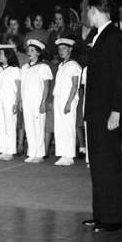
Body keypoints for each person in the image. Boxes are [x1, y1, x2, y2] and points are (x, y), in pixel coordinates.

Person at [83, 0, 122, 233]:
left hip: (107, 113)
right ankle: (101, 214)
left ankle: (114, 218)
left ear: (94, 10)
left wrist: (116, 110)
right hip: (96, 113)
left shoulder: (114, 37)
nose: (87, 15)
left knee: (110, 164)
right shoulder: (99, 35)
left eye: (88, 11)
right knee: (98, 165)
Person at [20, 40, 53, 163]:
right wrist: (20, 100)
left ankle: (39, 154)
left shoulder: (43, 67)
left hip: (37, 101)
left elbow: (46, 86)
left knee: (38, 126)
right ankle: (31, 152)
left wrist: (43, 102)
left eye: (32, 50)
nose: (29, 53)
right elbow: (22, 86)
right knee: (29, 126)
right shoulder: (24, 67)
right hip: (27, 100)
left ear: (38, 53)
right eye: (28, 50)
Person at [53, 38, 81, 166]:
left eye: (64, 48)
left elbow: (75, 86)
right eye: (59, 49)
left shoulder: (74, 65)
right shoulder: (61, 65)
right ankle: (62, 154)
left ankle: (69, 155)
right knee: (59, 127)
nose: (61, 51)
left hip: (68, 99)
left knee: (68, 126)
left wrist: (69, 103)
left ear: (70, 49)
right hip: (59, 99)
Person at [0, 45, 21, 161]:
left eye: (1, 54)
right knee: (0, 125)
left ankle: (10, 151)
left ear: (8, 55)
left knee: (9, 125)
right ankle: (3, 150)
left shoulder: (15, 70)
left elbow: (18, 87)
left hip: (10, 100)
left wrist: (17, 102)